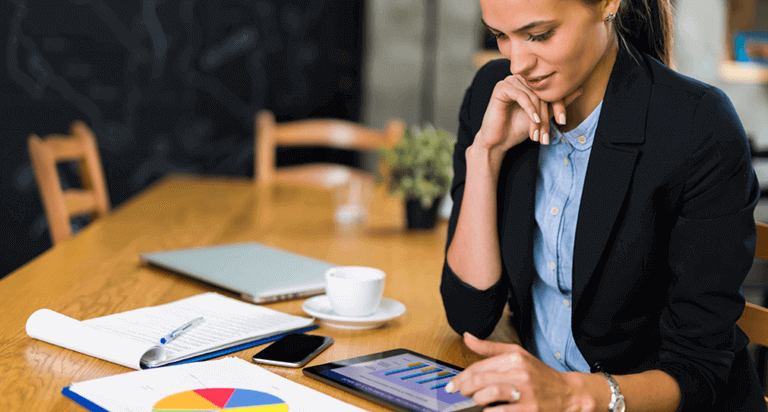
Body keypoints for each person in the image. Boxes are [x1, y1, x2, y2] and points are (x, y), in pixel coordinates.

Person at [439, 0, 766, 411]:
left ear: (608, 5)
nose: (517, 63)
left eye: (539, 35)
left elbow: (699, 373)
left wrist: (571, 395)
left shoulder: (698, 127)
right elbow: (470, 317)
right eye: (500, 36)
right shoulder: (497, 95)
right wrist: (486, 154)